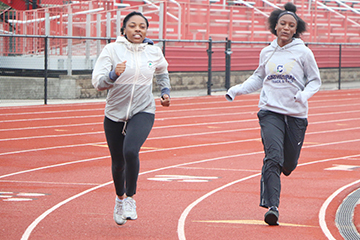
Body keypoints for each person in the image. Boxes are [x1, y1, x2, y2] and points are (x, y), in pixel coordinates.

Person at [225, 2, 321, 226]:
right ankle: (272, 207)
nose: (286, 28)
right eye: (282, 24)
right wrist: (237, 90)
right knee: (272, 157)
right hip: (270, 112)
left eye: (291, 25)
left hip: (296, 115)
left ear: (296, 29)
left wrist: (304, 95)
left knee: (288, 164)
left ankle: (285, 170)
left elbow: (315, 80)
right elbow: (259, 78)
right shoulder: (267, 52)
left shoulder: (304, 53)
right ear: (275, 27)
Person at [92, 11, 171, 225]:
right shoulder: (111, 50)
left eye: (142, 26)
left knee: (130, 151)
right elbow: (97, 83)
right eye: (133, 26)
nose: (138, 29)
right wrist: (113, 75)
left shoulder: (153, 51)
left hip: (143, 109)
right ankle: (119, 199)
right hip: (114, 113)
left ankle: (130, 198)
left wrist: (165, 91)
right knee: (118, 162)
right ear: (124, 29)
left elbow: (162, 71)